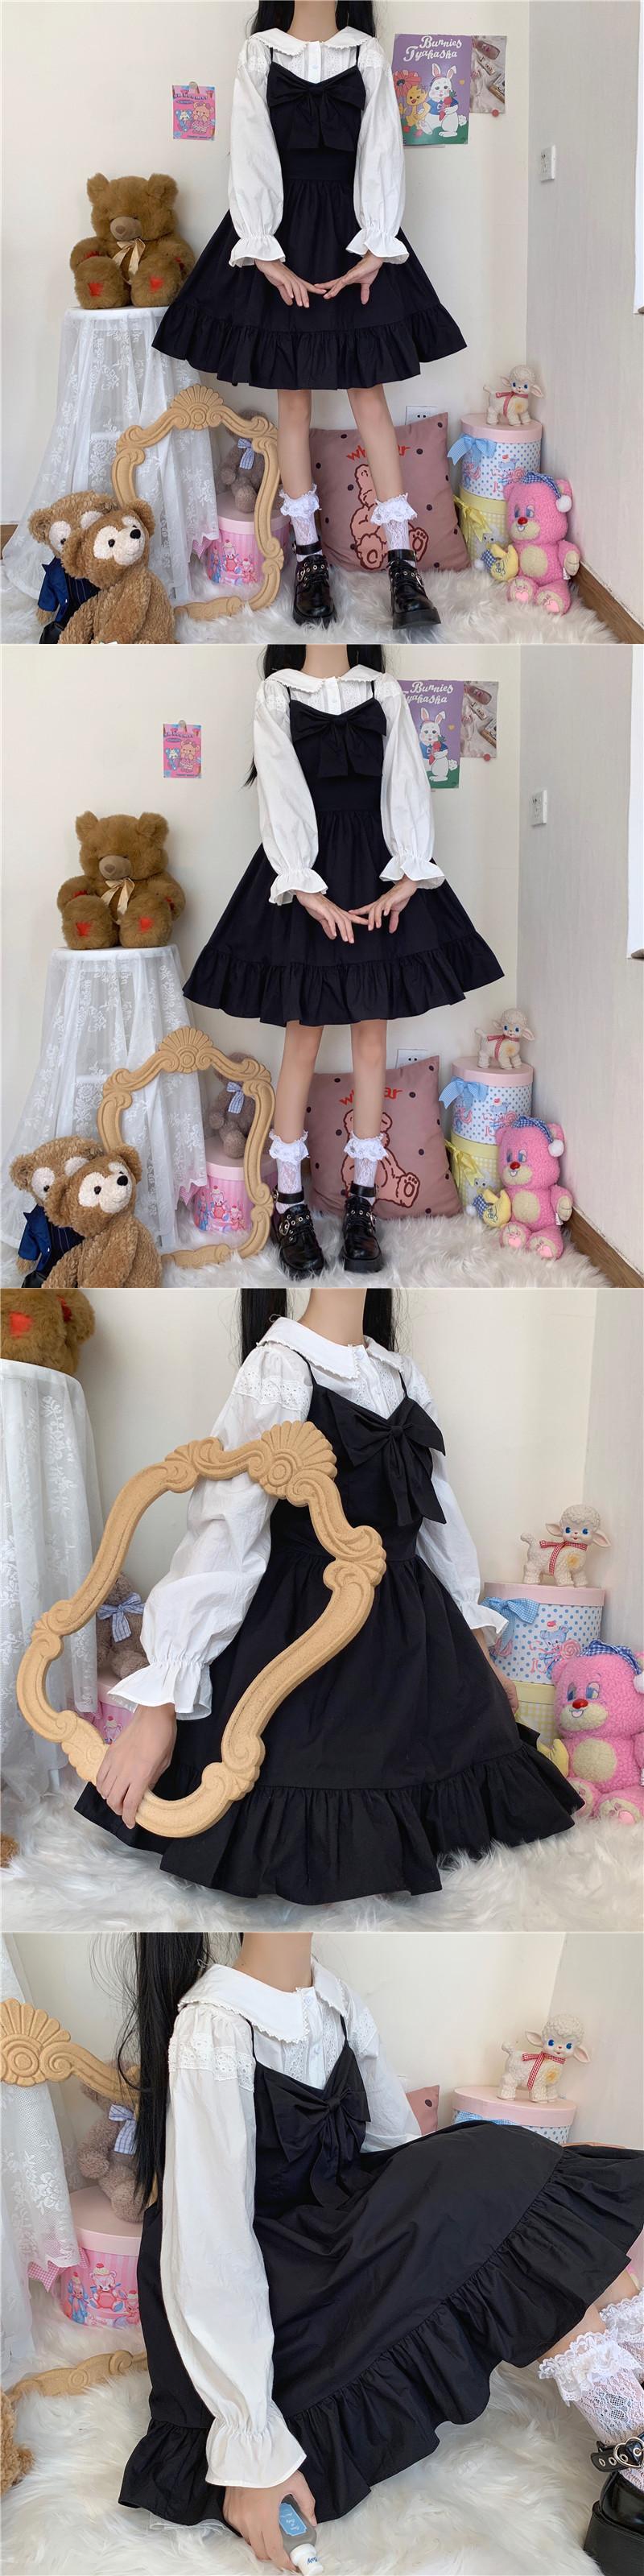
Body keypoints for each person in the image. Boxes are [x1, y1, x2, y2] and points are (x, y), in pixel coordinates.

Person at [118, 1930, 644, 2570]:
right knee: (491, 2181)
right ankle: (636, 2447)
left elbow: (397, 2153)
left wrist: (467, 2217)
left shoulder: (335, 2000)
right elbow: (212, 2244)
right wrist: (252, 2446)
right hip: (273, 2283)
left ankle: (635, 2416)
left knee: (496, 2181)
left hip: (333, 2237)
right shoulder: (215, 2026)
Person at [78, 1286, 582, 1902]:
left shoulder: (402, 1375)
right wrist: (160, 1705)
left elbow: (438, 1525)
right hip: (310, 1627)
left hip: (415, 1632)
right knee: (300, 1773)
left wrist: (478, 1653)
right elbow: (224, 1531)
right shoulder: (279, 1368)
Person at [184, 644, 502, 1277]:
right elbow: (278, 792)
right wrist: (305, 889)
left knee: (371, 1040)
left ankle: (361, 1202)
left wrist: (409, 877)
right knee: (301, 1041)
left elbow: (407, 782)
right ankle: (291, 1204)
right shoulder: (277, 693)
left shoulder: (382, 691)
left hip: (375, 870)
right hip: (306, 872)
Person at [153, 3, 465, 629]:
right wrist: (266, 255)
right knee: (292, 400)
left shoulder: (367, 53)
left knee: (368, 395)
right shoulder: (260, 53)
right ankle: (310, 560)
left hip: (351, 232)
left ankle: (402, 565)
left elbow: (382, 152)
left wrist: (376, 249)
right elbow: (249, 153)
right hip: (282, 233)